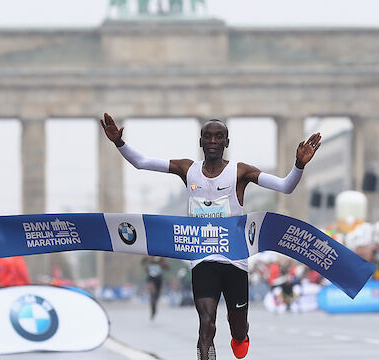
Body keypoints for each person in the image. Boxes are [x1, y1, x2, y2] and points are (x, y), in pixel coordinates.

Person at [101, 113, 320, 360]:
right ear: (201, 141)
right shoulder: (187, 169)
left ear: (227, 142)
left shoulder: (240, 172)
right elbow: (141, 162)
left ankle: (241, 335)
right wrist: (119, 143)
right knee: (206, 322)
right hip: (202, 257)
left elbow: (285, 187)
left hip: (234, 259)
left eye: (218, 137)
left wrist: (299, 165)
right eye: (208, 136)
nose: (213, 141)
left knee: (237, 328)